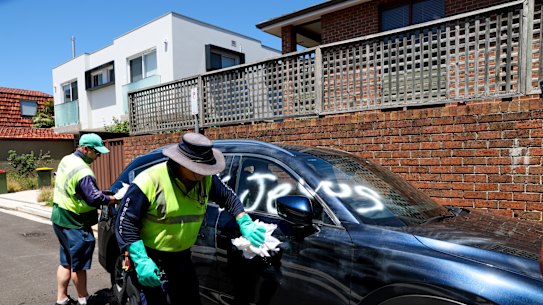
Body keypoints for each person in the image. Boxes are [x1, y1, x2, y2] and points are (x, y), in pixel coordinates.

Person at [115, 132, 266, 305]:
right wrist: (141, 260)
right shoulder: (149, 181)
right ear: (181, 163)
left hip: (182, 258)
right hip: (152, 259)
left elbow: (229, 198)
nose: (203, 174)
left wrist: (244, 221)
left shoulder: (206, 180)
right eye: (199, 170)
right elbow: (125, 222)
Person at [52, 133, 119, 305]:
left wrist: (98, 193)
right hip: (75, 222)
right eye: (96, 152)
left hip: (60, 217)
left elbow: (76, 189)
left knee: (66, 261)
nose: (98, 156)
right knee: (79, 266)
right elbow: (95, 199)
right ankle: (84, 300)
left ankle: (61, 299)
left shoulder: (67, 159)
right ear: (86, 149)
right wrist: (114, 199)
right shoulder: (84, 171)